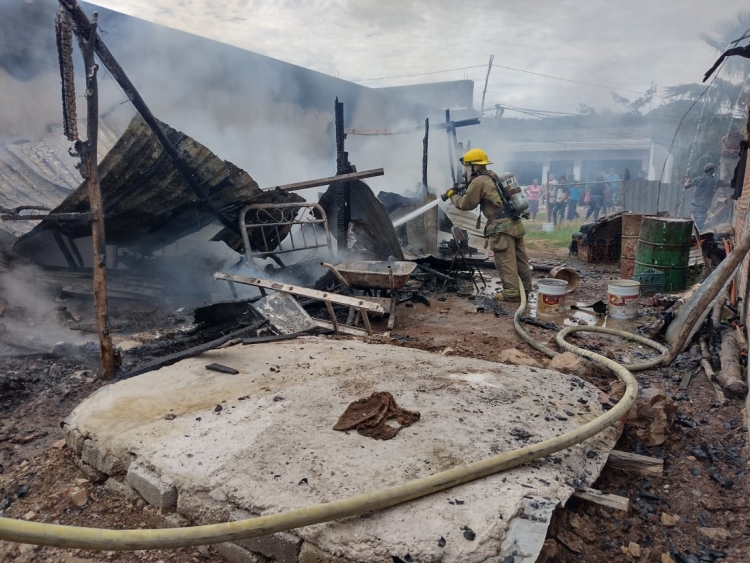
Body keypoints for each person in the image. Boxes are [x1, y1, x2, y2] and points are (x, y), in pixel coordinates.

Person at [444, 148, 532, 302]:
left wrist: (453, 195)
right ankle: (525, 289)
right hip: (514, 224)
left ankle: (512, 293)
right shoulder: (492, 176)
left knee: (506, 261)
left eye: (466, 167)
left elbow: (466, 204)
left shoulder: (478, 181)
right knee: (520, 259)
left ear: (472, 166)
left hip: (501, 227)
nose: (465, 170)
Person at [684, 162, 727, 231]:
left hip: (693, 207)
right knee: (699, 228)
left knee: (689, 225)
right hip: (702, 208)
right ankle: (695, 239)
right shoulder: (716, 181)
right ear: (714, 170)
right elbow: (728, 185)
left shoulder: (698, 179)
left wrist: (688, 180)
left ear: (704, 170)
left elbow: (686, 186)